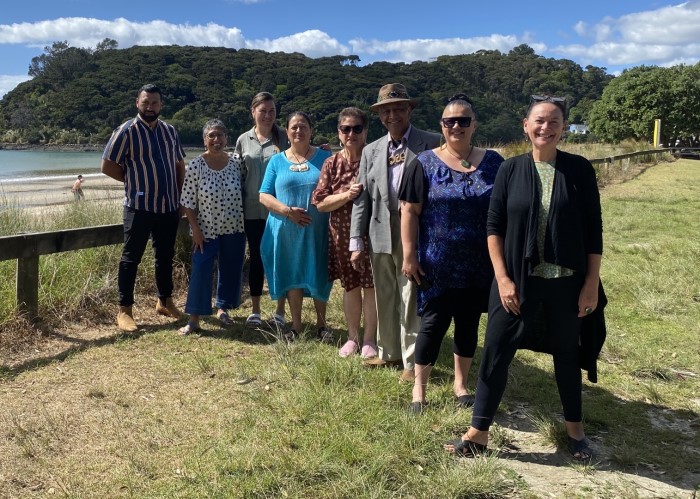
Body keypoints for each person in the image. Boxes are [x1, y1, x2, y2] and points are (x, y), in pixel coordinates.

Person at [444, 95, 605, 461]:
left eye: (553, 121)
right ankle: (478, 432)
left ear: (563, 127)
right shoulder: (510, 169)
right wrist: (502, 278)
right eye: (539, 121)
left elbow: (593, 231)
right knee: (496, 352)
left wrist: (591, 282)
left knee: (567, 353)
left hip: (567, 282)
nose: (545, 128)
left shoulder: (579, 170)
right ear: (525, 125)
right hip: (516, 280)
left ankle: (575, 433)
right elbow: (493, 227)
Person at [399, 94, 504, 412]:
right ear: (441, 126)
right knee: (432, 325)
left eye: (463, 120)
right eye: (450, 121)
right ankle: (419, 390)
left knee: (469, 324)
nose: (456, 126)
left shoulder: (494, 163)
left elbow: (505, 211)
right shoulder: (424, 163)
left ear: (474, 124)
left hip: (478, 264)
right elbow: (409, 211)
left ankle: (460, 385)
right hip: (436, 263)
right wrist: (409, 255)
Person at [350, 83, 441, 383]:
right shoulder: (371, 150)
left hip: (416, 231)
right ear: (379, 116)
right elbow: (362, 198)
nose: (392, 115)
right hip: (379, 232)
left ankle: (412, 360)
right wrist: (355, 241)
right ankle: (388, 352)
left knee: (411, 293)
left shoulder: (431, 143)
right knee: (386, 293)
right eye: (386, 110)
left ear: (409, 110)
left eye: (398, 108)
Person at [101, 83, 186, 332]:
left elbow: (179, 165)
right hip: (138, 206)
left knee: (165, 256)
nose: (150, 107)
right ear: (137, 103)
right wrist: (134, 181)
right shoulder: (126, 131)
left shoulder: (170, 131)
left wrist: (180, 198)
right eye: (146, 102)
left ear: (161, 105)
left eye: (155, 103)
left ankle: (165, 301)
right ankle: (125, 310)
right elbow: (107, 165)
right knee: (131, 258)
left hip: (169, 205)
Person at [259, 111, 333, 342]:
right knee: (292, 273)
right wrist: (288, 212)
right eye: (294, 127)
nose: (298, 131)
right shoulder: (276, 161)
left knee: (319, 272)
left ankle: (322, 326)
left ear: (311, 130)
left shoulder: (326, 158)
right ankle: (296, 325)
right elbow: (264, 195)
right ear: (287, 132)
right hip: (286, 231)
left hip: (317, 231)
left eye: (303, 126)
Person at [312, 107, 378, 359]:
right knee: (350, 286)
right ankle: (353, 337)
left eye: (356, 128)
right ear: (339, 133)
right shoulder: (332, 163)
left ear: (366, 131)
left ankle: (370, 339)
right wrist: (346, 194)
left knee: (371, 287)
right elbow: (319, 203)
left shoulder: (375, 158)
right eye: (345, 129)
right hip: (341, 235)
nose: (351, 133)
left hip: (372, 234)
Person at [178, 119, 246, 335]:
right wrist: (195, 229)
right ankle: (194, 318)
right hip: (205, 231)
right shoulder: (197, 165)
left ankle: (222, 309)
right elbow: (187, 201)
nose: (216, 139)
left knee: (231, 269)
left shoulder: (236, 163)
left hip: (234, 227)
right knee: (201, 269)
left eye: (220, 135)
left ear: (227, 138)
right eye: (211, 136)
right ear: (204, 140)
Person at [234, 92, 289, 329]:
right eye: (263, 111)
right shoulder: (243, 140)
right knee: (256, 258)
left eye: (272, 111)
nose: (267, 115)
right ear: (253, 111)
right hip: (251, 211)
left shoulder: (285, 137)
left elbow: (302, 157)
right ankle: (255, 310)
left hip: (279, 210)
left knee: (279, 260)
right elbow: (237, 175)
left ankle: (280, 310)